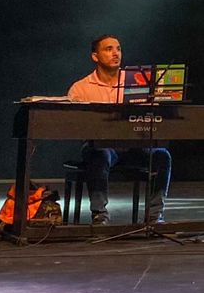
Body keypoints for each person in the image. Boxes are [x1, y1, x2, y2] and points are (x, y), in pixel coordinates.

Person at [68, 34, 171, 225]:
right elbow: (76, 125)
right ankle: (100, 215)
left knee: (162, 155)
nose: (115, 53)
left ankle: (155, 216)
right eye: (108, 49)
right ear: (95, 56)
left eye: (118, 49)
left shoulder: (138, 82)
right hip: (102, 146)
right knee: (99, 153)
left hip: (134, 145)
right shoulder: (80, 88)